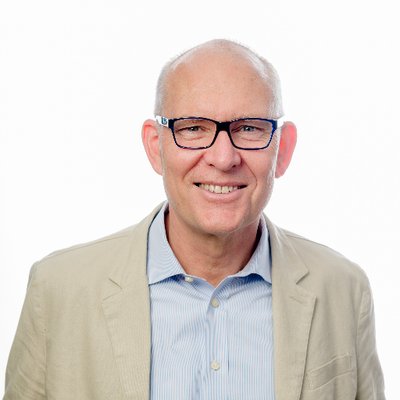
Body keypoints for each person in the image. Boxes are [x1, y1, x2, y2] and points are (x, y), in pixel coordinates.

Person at [4, 39, 385, 399]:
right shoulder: (58, 289)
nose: (223, 158)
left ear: (282, 149)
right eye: (193, 128)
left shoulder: (342, 289)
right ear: (155, 146)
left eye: (249, 128)